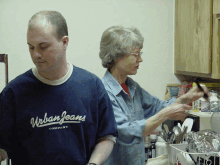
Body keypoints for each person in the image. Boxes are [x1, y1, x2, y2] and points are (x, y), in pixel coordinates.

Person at [0, 11, 118, 165]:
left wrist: (94, 163)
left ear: (64, 42)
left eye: (43, 47)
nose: (36, 54)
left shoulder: (92, 86)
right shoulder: (13, 93)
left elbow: (106, 137)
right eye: (31, 47)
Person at [99, 26, 210, 165]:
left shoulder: (132, 86)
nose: (140, 59)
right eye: (136, 54)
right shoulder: (103, 92)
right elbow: (126, 133)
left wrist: (186, 98)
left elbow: (158, 107)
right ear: (116, 56)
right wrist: (166, 114)